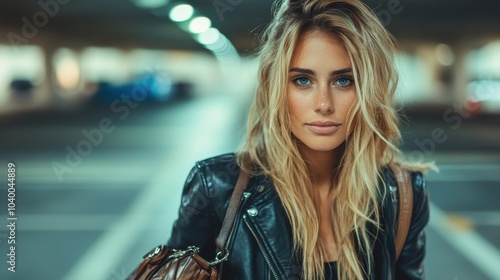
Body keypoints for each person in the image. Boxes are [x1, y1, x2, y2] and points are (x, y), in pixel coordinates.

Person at [167, 0, 433, 279]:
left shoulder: (402, 194)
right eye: (302, 80)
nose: (324, 104)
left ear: (368, 90)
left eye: (343, 81)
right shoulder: (216, 188)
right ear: (277, 88)